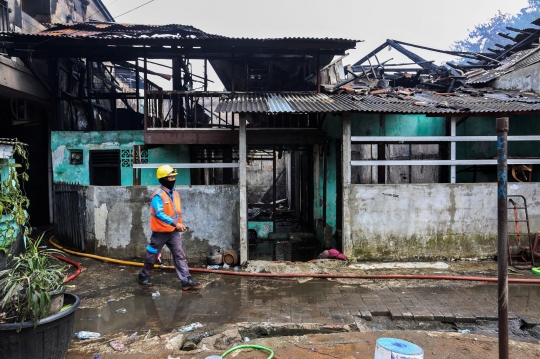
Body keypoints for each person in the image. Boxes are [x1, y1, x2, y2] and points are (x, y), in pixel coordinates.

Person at [138, 164, 201, 291]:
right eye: (170, 178)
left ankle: (186, 281)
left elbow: (176, 212)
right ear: (162, 179)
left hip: (173, 232)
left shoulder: (175, 194)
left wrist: (177, 226)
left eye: (173, 177)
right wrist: (175, 224)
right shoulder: (158, 195)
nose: (173, 179)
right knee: (152, 256)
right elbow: (159, 213)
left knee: (180, 255)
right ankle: (144, 276)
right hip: (160, 232)